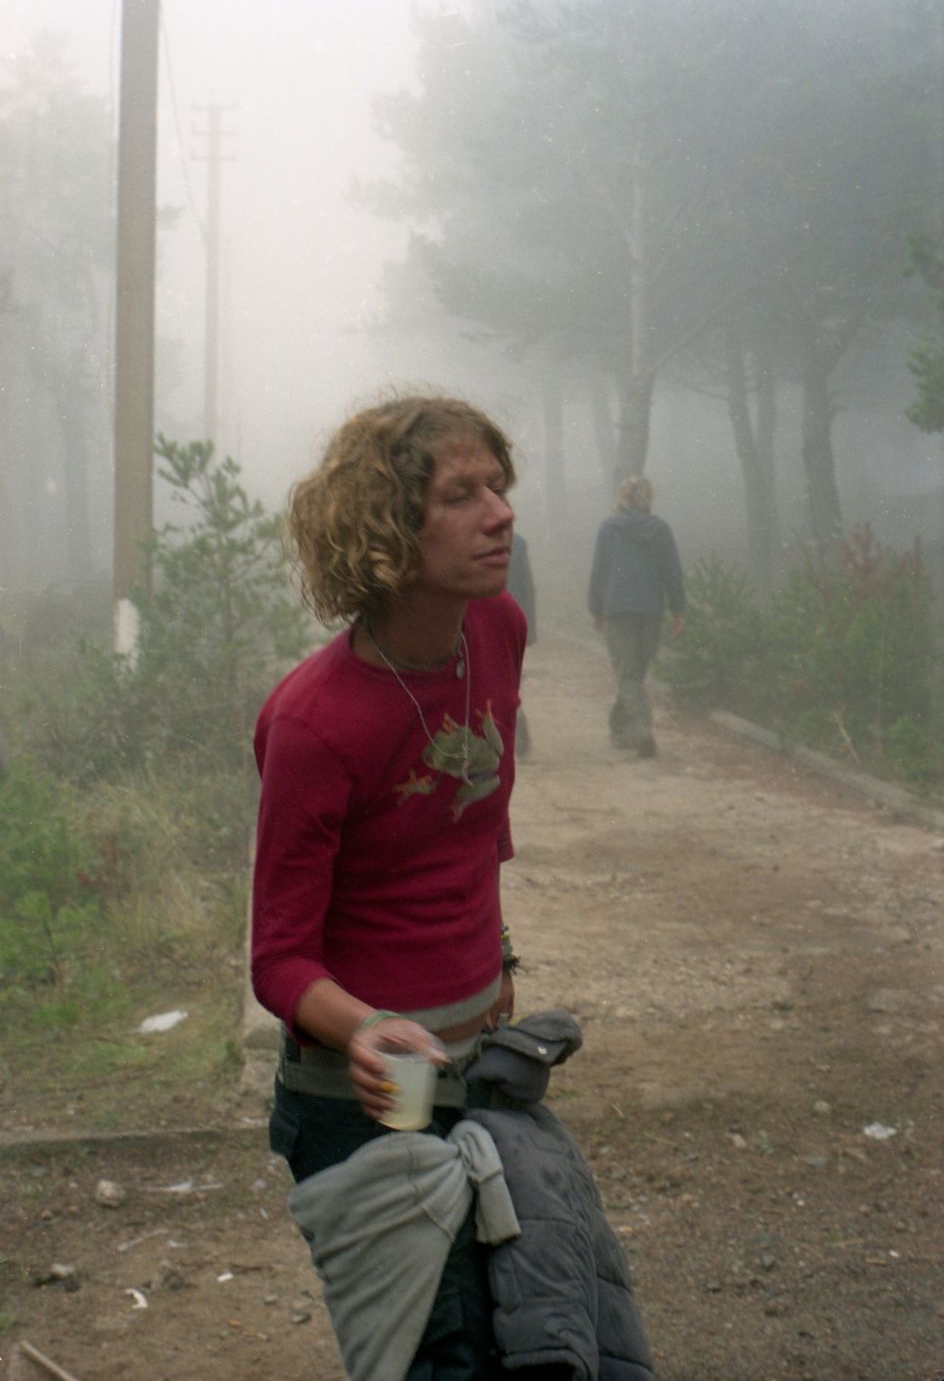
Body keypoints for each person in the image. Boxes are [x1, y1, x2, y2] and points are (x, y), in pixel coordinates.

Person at [251, 394, 525, 1378]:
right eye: (461, 495)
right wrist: (365, 1026)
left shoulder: (496, 628)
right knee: (430, 1357)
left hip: (484, 1069)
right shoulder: (314, 723)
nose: (498, 512)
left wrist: (492, 957)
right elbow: (278, 957)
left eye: (497, 485)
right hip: (365, 1101)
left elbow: (475, 819)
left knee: (522, 1332)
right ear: (386, 533)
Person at [587, 475, 685, 757]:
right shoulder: (661, 530)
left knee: (628, 674)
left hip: (618, 610)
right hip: (651, 611)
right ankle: (621, 729)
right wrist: (678, 609)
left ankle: (641, 730)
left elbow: (600, 571)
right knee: (635, 674)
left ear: (620, 497)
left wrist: (596, 608)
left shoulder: (609, 529)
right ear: (648, 498)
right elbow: (672, 571)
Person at [505, 530, 536, 760]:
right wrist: (530, 625)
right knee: (510, 676)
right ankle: (518, 735)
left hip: (485, 615)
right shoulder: (518, 544)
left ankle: (516, 732)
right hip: (512, 617)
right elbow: (527, 588)